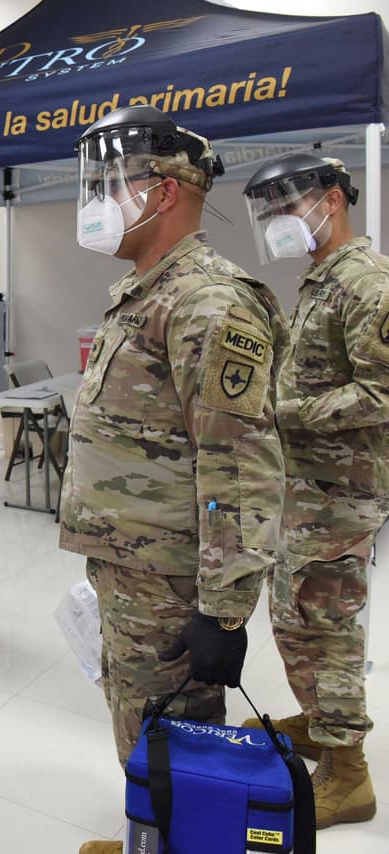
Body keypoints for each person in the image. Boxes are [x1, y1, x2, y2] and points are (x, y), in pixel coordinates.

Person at [60, 106, 288, 854]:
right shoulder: (147, 291)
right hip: (135, 577)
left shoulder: (207, 300)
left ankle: (169, 840)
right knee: (142, 732)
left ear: (162, 192)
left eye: (108, 184)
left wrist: (224, 614)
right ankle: (146, 838)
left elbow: (240, 466)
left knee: (176, 748)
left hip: (172, 590)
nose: (95, 201)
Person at [239, 153, 389, 828]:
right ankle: (322, 719)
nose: (276, 223)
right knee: (296, 614)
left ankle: (348, 771)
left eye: (285, 207)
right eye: (268, 212)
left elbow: (380, 393)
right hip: (308, 488)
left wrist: (285, 411)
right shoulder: (322, 280)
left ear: (331, 199)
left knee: (324, 623)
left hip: (341, 490)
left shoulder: (366, 282)